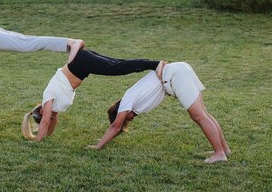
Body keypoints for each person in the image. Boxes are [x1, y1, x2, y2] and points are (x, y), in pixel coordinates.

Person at [87, 62, 231, 163]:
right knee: (203, 114)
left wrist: (98, 146)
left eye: (126, 118)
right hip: (178, 70)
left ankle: (219, 154)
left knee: (199, 116)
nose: (129, 120)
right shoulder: (133, 101)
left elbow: (115, 127)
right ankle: (223, 149)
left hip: (175, 75)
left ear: (121, 111)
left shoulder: (127, 100)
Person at [22, 42, 166, 142]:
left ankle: (155, 64)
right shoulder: (54, 107)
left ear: (42, 112)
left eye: (49, 116)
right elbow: (51, 121)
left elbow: (46, 120)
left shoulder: (47, 97)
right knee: (117, 64)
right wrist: (46, 136)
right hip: (82, 65)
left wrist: (37, 141)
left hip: (81, 62)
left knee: (116, 67)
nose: (53, 117)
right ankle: (153, 64)